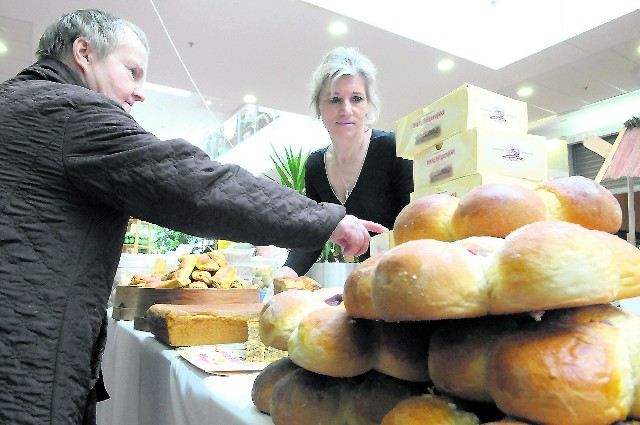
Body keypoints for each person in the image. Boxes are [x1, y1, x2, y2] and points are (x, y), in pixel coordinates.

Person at [0, 10, 386, 425]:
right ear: (83, 53)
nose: (139, 92)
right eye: (131, 72)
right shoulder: (71, 113)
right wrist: (326, 220)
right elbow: (195, 184)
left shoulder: (17, 103)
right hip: (25, 363)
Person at [280, 47, 414, 277]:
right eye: (334, 99)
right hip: (372, 282)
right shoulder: (316, 165)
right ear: (319, 107)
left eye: (356, 99)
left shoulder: (393, 148)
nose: (346, 110)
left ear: (368, 105)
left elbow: (417, 222)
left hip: (413, 273)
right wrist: (286, 273)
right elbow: (314, 232)